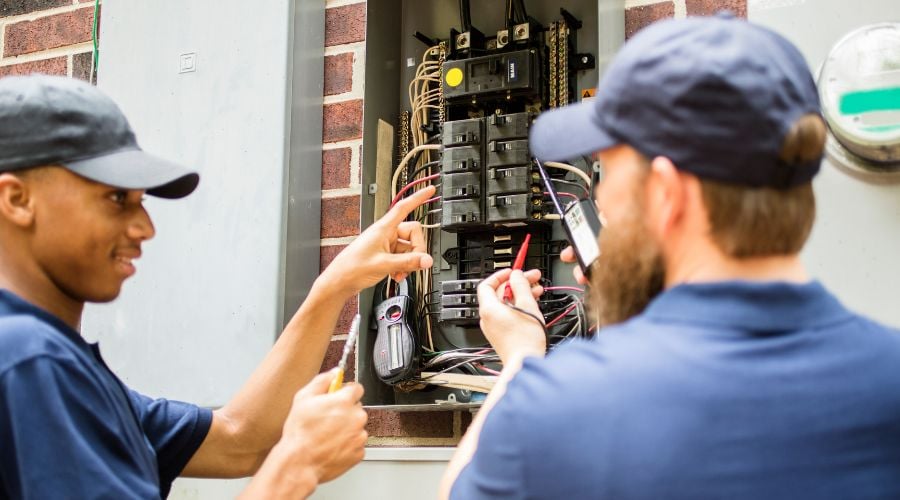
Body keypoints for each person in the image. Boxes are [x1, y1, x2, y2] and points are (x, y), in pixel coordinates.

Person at [441, 14, 900, 500]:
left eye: (604, 176)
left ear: (665, 193)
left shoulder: (560, 404)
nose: (599, 203)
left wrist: (520, 360)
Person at [0, 75, 437, 499]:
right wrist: (295, 466)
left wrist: (334, 286)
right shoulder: (28, 357)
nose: (145, 228)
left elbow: (239, 440)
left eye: (141, 202)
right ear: (17, 199)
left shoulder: (60, 367)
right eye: (116, 199)